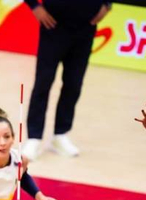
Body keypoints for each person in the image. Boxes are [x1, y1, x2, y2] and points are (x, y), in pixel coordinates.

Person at [22, 0, 111, 160]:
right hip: (53, 25)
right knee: (43, 82)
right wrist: (34, 6)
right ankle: (34, 137)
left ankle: (60, 134)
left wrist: (107, 4)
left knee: (74, 84)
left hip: (86, 27)